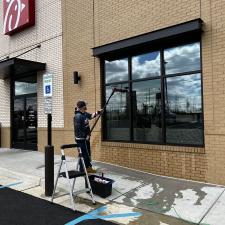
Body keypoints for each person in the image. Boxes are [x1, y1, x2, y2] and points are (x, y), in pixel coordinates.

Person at [74, 100, 101, 173]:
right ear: (83, 107)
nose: (86, 106)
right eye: (85, 105)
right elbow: (79, 129)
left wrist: (98, 112)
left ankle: (85, 169)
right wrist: (86, 136)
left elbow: (91, 116)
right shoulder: (78, 116)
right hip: (81, 139)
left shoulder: (84, 114)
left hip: (85, 139)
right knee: (84, 155)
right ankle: (85, 170)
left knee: (86, 154)